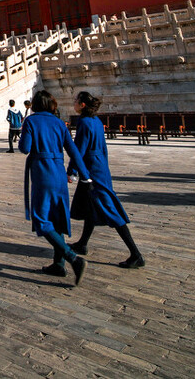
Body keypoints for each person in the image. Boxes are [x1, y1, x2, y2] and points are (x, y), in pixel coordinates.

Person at [18, 89, 90, 284]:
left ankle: (72, 258)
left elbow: (24, 148)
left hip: (43, 174)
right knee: (57, 219)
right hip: (59, 174)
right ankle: (58, 265)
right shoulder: (59, 123)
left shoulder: (31, 121)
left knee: (42, 219)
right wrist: (85, 176)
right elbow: (74, 151)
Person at [68, 92, 144, 268]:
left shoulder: (84, 123)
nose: (74, 104)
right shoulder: (96, 121)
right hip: (100, 167)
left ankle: (136, 254)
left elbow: (78, 150)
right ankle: (82, 243)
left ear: (82, 105)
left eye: (76, 101)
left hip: (92, 172)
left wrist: (72, 171)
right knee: (90, 208)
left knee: (110, 210)